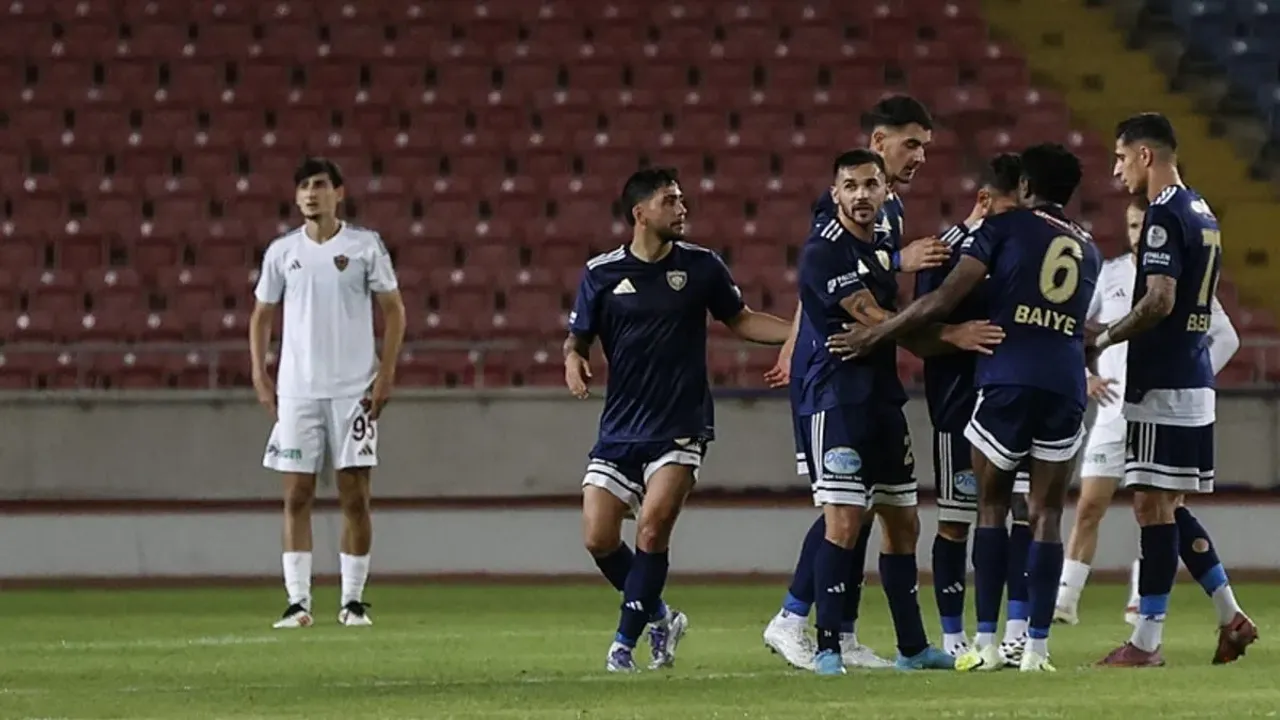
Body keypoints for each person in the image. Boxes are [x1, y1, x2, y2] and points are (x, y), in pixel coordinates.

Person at [831, 143, 1102, 672]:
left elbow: (941, 300)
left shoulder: (1004, 229)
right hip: (1066, 385)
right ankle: (1037, 648)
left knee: (991, 509)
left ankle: (986, 642)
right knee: (1046, 515)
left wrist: (877, 334)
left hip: (1007, 379)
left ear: (1025, 187)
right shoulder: (1088, 247)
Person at [565, 167, 791, 673]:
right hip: (620, 427)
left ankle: (622, 646)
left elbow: (742, 320)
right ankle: (661, 616)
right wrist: (572, 359)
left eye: (682, 199)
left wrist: (801, 328)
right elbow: (578, 336)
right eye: (670, 200)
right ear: (640, 213)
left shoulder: (702, 266)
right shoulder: (601, 273)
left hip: (680, 424)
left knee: (651, 529)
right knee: (598, 537)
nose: (682, 208)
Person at [794, 149, 1002, 675]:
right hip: (836, 398)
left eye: (871, 185)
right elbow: (875, 318)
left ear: (885, 191)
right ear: (835, 194)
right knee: (844, 521)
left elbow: (890, 317)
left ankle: (912, 647)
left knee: (903, 521)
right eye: (850, 186)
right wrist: (950, 334)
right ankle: (827, 646)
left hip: (882, 397)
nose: (861, 195)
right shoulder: (823, 252)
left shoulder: (882, 246)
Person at [763, 94, 949, 671]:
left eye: (924, 146)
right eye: (911, 143)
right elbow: (826, 274)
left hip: (874, 369)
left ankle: (844, 634)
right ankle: (794, 617)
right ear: (878, 142)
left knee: (871, 509)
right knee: (843, 510)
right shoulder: (838, 208)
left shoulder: (892, 209)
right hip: (834, 371)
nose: (920, 156)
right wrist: (798, 344)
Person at [1095, 113, 1258, 667]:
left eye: (1122, 157)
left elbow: (1160, 299)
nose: (1116, 170)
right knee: (1167, 504)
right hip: (1192, 378)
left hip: (1162, 381)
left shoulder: (1164, 213)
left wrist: (1104, 337)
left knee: (1151, 506)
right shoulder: (1202, 210)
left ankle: (1146, 643)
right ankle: (1230, 615)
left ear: (1145, 155)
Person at [1055, 196, 1244, 637]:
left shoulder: (1179, 275)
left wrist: (1190, 378)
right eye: (1133, 226)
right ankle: (1066, 601)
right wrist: (1086, 375)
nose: (1139, 234)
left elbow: (1226, 337)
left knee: (1161, 509)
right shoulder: (1111, 274)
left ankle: (1146, 608)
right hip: (1115, 411)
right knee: (1094, 505)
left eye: (1144, 224)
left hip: (1161, 407)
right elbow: (1075, 329)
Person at [250, 157, 406, 629]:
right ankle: (298, 602)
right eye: (303, 186)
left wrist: (386, 373)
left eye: (319, 185)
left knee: (354, 495)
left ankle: (352, 602)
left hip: (353, 389)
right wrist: (260, 373)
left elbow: (394, 311)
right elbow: (261, 315)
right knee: (296, 494)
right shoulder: (282, 252)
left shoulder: (364, 246)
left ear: (339, 192)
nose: (310, 193)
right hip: (298, 390)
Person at [915, 153, 1037, 664]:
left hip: (1014, 400)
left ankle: (1016, 631)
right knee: (956, 521)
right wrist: (954, 335)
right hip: (958, 406)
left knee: (1023, 513)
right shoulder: (943, 253)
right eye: (1011, 210)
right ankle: (953, 636)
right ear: (984, 201)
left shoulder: (1026, 246)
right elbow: (916, 329)